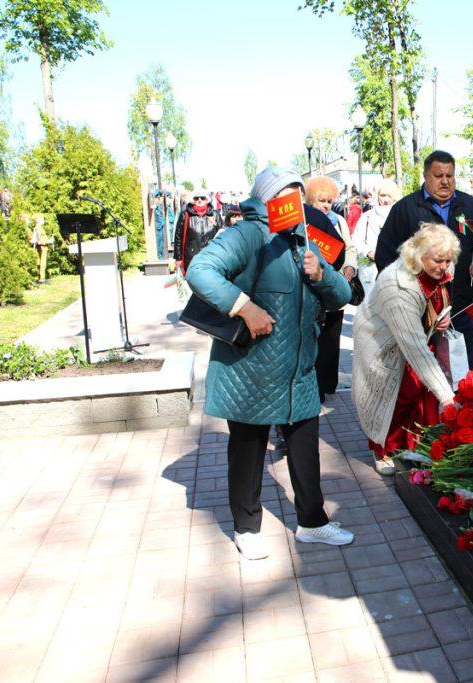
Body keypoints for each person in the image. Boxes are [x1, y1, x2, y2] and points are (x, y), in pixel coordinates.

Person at [185, 167, 355, 559]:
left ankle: (312, 523)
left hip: (299, 370)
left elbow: (343, 294)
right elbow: (200, 270)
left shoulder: (307, 237)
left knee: (305, 449)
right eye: (286, 194)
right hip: (251, 370)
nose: (294, 202)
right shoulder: (248, 233)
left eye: (299, 194)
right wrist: (244, 307)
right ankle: (247, 527)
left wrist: (322, 275)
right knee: (248, 450)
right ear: (266, 198)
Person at [375, 150, 473, 369]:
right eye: (438, 176)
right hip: (420, 311)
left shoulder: (472, 206)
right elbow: (385, 255)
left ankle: (460, 403)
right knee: (421, 375)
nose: (445, 181)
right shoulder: (405, 209)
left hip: (462, 306)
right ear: (425, 176)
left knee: (462, 373)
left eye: (449, 176)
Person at [353, 224, 458, 476]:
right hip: (382, 340)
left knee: (420, 394)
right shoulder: (396, 286)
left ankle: (416, 445)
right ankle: (383, 448)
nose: (444, 266)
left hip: (418, 333)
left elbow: (440, 294)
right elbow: (417, 352)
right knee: (394, 396)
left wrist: (445, 315)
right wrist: (449, 398)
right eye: (438, 261)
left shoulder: (437, 266)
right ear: (418, 256)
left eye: (448, 260)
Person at [305, 176, 359, 402]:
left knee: (332, 337)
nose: (326, 205)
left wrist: (349, 267)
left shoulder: (338, 220)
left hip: (336, 285)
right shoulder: (304, 221)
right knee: (315, 338)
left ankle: (329, 383)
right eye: (321, 200)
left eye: (329, 200)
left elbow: (350, 248)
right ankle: (314, 386)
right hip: (313, 289)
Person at [352, 180, 400, 298]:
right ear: (377, 195)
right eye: (383, 195)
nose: (386, 199)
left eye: (389, 196)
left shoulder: (400, 216)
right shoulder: (367, 217)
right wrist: (368, 252)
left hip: (393, 270)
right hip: (369, 270)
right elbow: (356, 240)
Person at [175, 189, 224, 273]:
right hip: (191, 257)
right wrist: (178, 258)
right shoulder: (185, 214)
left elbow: (223, 235)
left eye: (202, 198)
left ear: (207, 200)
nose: (199, 200)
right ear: (192, 200)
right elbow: (178, 237)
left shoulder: (215, 214)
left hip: (212, 257)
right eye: (196, 198)